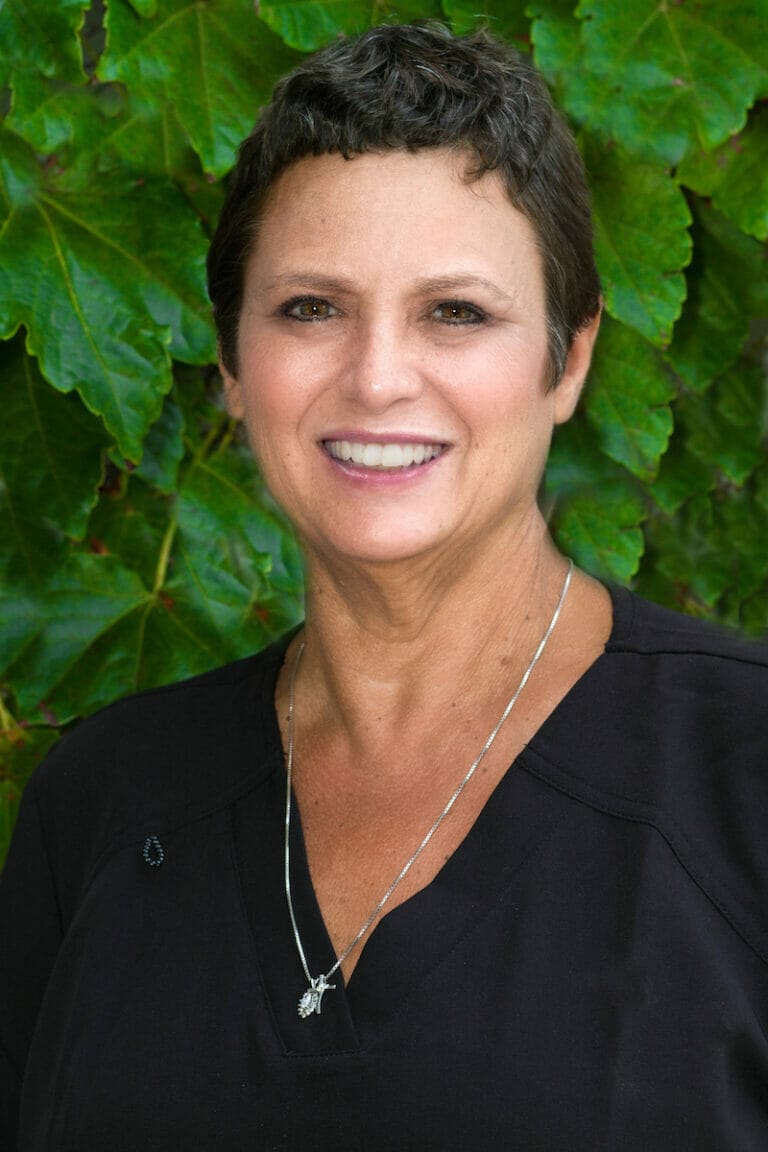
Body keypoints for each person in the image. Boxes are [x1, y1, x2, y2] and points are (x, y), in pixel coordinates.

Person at [1, 22, 767, 1151]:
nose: (376, 377)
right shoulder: (104, 802)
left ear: (570, 360)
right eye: (311, 307)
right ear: (231, 364)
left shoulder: (746, 775)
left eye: (456, 312)